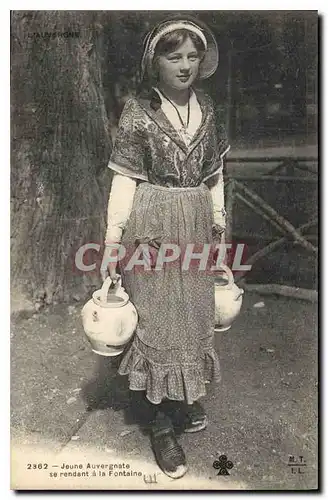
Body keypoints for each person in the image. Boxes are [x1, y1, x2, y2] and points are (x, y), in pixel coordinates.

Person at [102, 16, 230, 479]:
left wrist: (217, 221)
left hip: (195, 219)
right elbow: (123, 179)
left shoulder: (209, 108)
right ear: (154, 63)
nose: (184, 65)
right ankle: (159, 423)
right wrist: (114, 241)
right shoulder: (138, 113)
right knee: (158, 315)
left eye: (192, 56)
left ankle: (181, 397)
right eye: (173, 56)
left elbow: (215, 172)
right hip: (152, 220)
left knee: (192, 312)